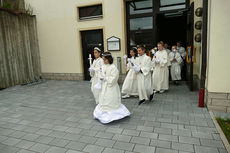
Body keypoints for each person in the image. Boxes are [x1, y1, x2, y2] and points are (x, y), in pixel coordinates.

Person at [93, 52, 130, 124]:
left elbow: (114, 78)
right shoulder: (103, 66)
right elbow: (100, 73)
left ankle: (112, 112)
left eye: (105, 60)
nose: (104, 61)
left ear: (109, 59)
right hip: (104, 86)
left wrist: (106, 78)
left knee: (110, 98)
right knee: (103, 98)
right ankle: (104, 111)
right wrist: (100, 77)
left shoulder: (113, 67)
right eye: (103, 60)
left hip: (111, 87)